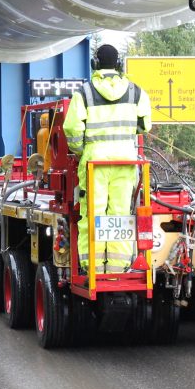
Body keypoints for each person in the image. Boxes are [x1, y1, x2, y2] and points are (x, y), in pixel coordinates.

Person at [63, 44, 152, 274]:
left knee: (93, 214)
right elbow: (145, 125)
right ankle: (116, 267)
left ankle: (92, 266)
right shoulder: (136, 92)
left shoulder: (83, 93)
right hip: (126, 161)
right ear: (119, 64)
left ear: (95, 64)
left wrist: (80, 150)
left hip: (95, 163)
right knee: (120, 215)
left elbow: (72, 128)